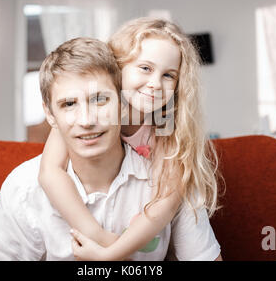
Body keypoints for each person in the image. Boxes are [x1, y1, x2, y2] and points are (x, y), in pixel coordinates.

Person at [0, 37, 221, 261]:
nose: (86, 120)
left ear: (124, 104)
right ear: (50, 114)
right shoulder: (24, 187)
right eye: (68, 104)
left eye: (100, 99)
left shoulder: (168, 173)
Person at [38, 17, 223, 261]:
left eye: (169, 75)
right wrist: (99, 236)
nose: (155, 84)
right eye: (145, 68)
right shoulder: (84, 117)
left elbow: (165, 203)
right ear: (117, 68)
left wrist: (111, 254)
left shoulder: (163, 122)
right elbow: (49, 173)